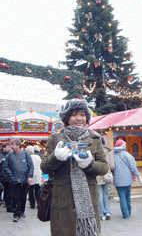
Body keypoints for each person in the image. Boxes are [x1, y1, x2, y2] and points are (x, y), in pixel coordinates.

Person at [40, 98, 108, 236]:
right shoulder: (55, 139)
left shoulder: (95, 138)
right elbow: (44, 167)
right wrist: (56, 158)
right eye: (74, 114)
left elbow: (104, 167)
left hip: (88, 199)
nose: (79, 118)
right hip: (62, 201)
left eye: (83, 115)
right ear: (66, 117)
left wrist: (90, 165)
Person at [3, 139, 34, 222]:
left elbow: (31, 166)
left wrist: (30, 176)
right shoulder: (9, 155)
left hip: (24, 180)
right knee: (15, 197)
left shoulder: (26, 154)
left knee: (23, 197)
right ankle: (16, 214)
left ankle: (22, 211)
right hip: (14, 180)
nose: (11, 146)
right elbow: (5, 166)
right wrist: (11, 175)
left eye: (13, 144)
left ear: (18, 145)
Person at [113, 139, 142, 219]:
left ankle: (125, 215)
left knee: (121, 197)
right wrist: (139, 176)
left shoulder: (112, 155)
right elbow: (133, 167)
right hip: (127, 180)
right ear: (123, 146)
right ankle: (129, 211)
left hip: (117, 180)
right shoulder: (127, 155)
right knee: (127, 196)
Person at [97, 137, 115, 221]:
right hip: (107, 175)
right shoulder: (109, 151)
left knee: (99, 195)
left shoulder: (96, 151)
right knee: (105, 194)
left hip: (98, 176)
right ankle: (108, 211)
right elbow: (112, 166)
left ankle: (101, 214)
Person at [0, 142, 12, 211]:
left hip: (6, 176)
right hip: (2, 176)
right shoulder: (1, 155)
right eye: (8, 147)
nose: (9, 149)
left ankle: (8, 206)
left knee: (8, 191)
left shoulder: (8, 155)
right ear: (4, 148)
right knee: (3, 189)